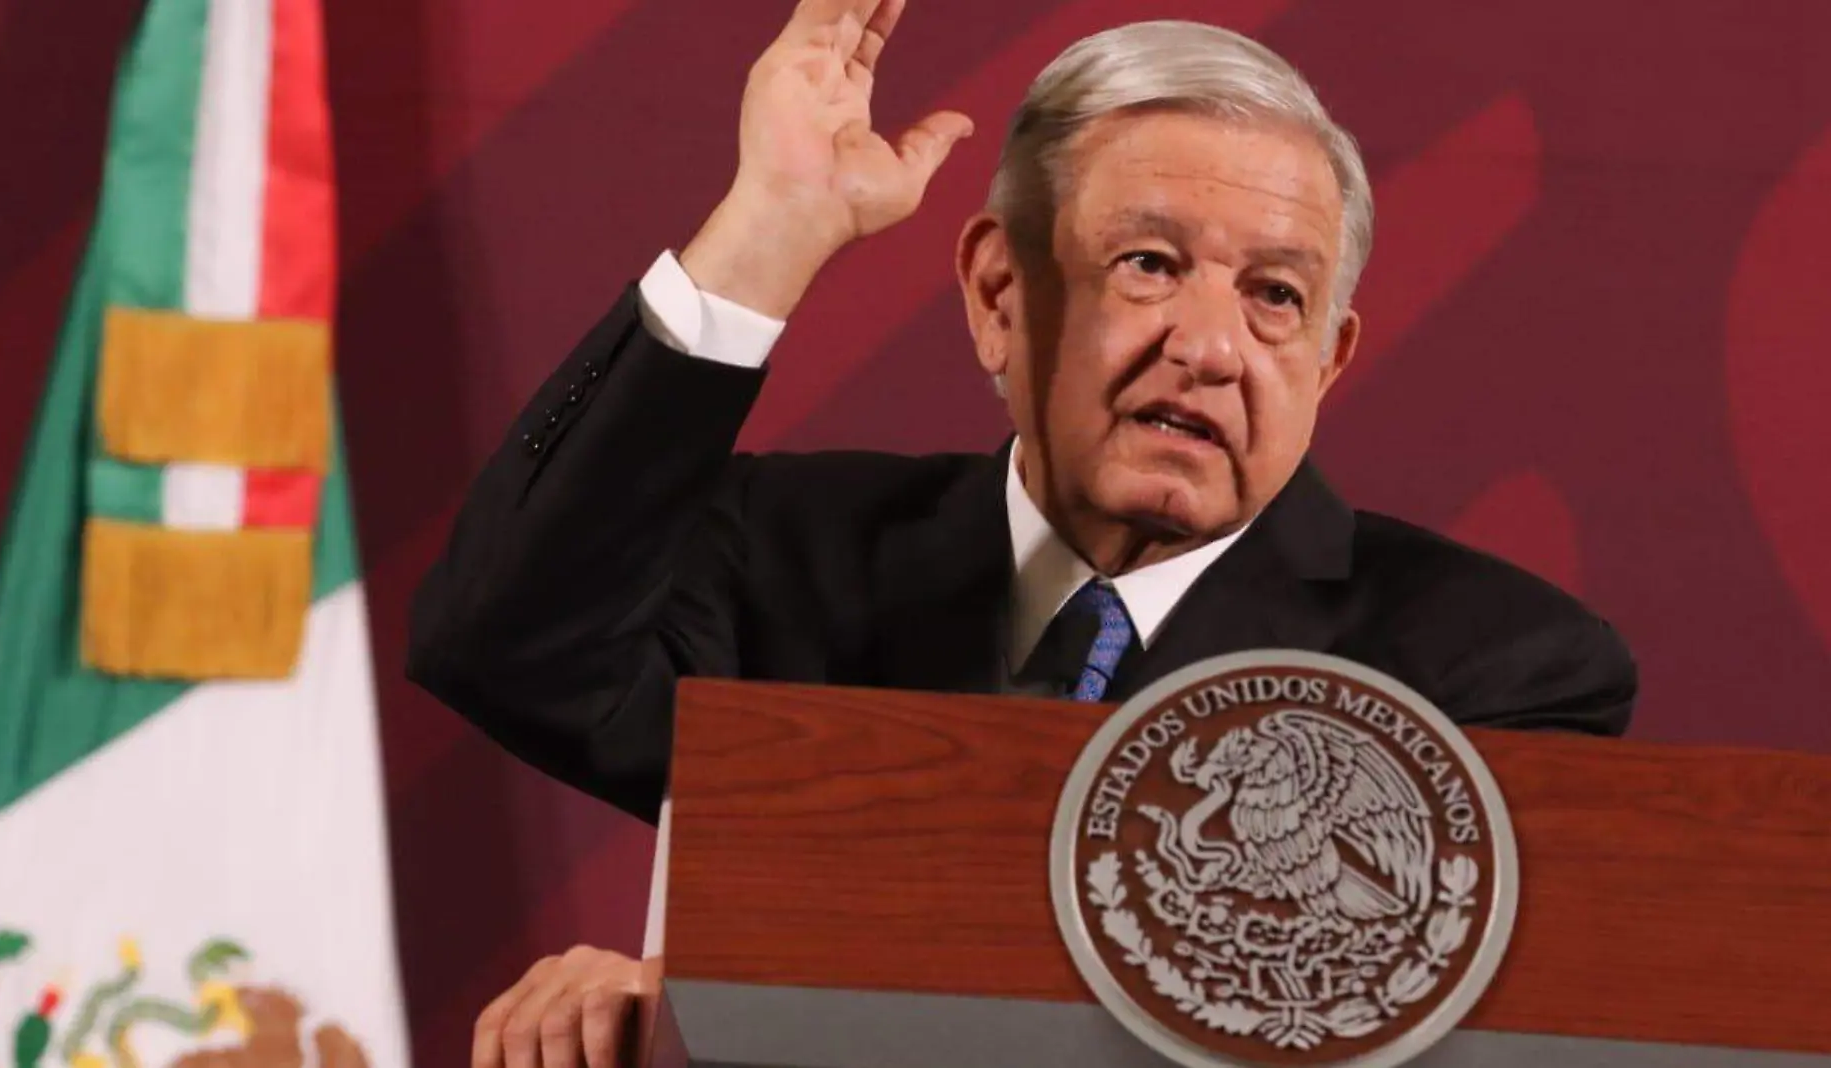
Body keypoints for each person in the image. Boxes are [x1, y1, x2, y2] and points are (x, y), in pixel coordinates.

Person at [407, 3, 1638, 1065]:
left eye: (1275, 296)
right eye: (1149, 264)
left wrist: (723, 987)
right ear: (1000, 295)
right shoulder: (785, 554)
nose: (1209, 348)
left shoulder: (1492, 674)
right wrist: (770, 224)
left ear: (1329, 359)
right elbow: (506, 640)